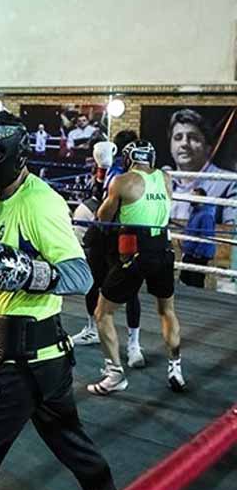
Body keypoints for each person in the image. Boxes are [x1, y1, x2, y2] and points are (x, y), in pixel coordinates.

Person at [0, 111, 119, 490]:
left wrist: (27, 272)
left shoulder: (39, 202)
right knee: (75, 448)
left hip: (20, 362)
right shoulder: (2, 203)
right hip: (46, 360)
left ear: (14, 153)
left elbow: (81, 276)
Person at [88, 140, 184, 395]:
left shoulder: (122, 181)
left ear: (128, 158)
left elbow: (103, 218)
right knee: (167, 310)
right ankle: (175, 368)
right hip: (163, 250)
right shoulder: (166, 178)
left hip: (134, 253)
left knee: (103, 313)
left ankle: (115, 375)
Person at [72, 131, 143, 369]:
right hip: (104, 234)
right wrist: (101, 169)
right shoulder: (111, 168)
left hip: (124, 236)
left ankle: (134, 345)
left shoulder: (138, 176)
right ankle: (93, 329)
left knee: (130, 290)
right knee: (92, 282)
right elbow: (96, 196)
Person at [168, 108, 237, 225]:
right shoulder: (161, 182)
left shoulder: (230, 183)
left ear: (208, 147)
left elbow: (230, 232)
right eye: (178, 138)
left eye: (193, 138)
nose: (184, 143)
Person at [179, 188, 216, 288]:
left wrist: (198, 254)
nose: (190, 198)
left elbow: (206, 236)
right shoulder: (196, 212)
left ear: (200, 198)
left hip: (197, 255)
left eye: (193, 196)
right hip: (191, 253)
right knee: (185, 279)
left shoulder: (206, 215)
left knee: (195, 282)